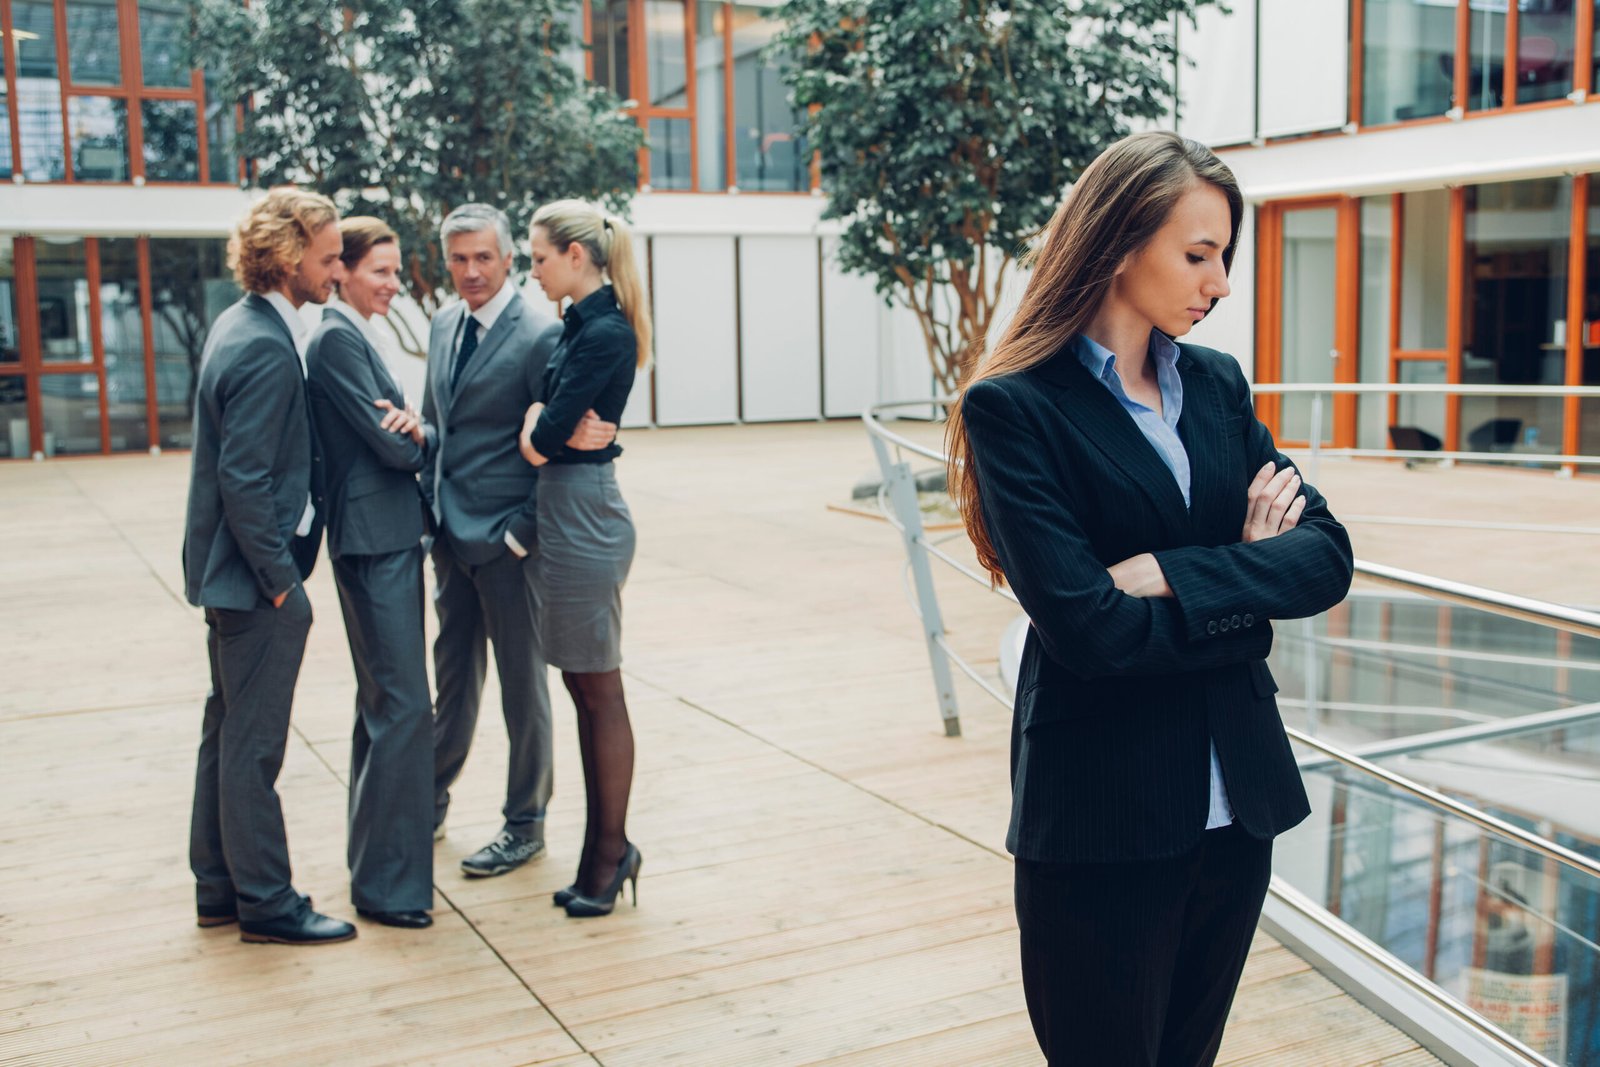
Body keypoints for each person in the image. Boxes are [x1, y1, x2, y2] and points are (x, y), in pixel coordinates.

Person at [947, 131, 1354, 1065]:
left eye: (1225, 257)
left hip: (1235, 806)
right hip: (1104, 813)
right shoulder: (1014, 408)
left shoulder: (1213, 384)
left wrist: (1171, 570)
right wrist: (1245, 586)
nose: (1219, 283)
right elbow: (1090, 631)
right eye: (1198, 254)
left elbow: (1325, 555)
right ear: (1119, 240)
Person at [182, 187, 356, 946]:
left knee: (225, 734)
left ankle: (219, 888)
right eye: (328, 255)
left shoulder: (240, 322)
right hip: (255, 583)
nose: (339, 269)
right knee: (253, 746)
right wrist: (284, 584)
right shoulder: (260, 343)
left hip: (228, 577)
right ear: (288, 258)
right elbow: (244, 480)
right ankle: (267, 903)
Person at [424, 203, 616, 877]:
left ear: (507, 258)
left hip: (510, 545)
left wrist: (519, 537)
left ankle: (524, 821)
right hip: (451, 541)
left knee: (521, 689)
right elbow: (437, 426)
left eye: (484, 256)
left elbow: (563, 447)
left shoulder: (540, 333)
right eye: (459, 258)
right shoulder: (443, 323)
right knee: (452, 685)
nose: (472, 270)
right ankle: (428, 803)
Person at [516, 199, 650, 918]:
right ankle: (603, 850)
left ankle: (610, 853)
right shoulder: (578, 325)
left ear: (575, 254)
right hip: (566, 508)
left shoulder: (604, 331)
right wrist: (549, 425)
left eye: (537, 258)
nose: (531, 271)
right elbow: (556, 431)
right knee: (581, 686)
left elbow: (545, 437)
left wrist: (539, 423)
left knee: (599, 689)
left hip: (586, 513)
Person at [305, 216, 435, 929]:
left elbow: (400, 431)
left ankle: (377, 868)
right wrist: (418, 439)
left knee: (384, 704)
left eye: (395, 270)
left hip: (382, 534)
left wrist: (414, 429)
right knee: (406, 706)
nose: (393, 283)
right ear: (342, 270)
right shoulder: (335, 338)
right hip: (374, 537)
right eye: (380, 271)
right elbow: (394, 449)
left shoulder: (352, 335)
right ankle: (389, 887)